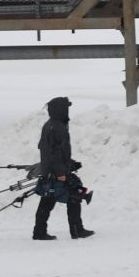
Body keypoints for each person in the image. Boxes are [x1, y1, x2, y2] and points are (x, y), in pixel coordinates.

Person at [32, 96, 95, 240]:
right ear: (60, 110)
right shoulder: (58, 127)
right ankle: (77, 230)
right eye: (66, 108)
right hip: (56, 173)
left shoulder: (50, 125)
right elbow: (55, 152)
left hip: (50, 171)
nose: (68, 111)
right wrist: (61, 172)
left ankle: (39, 232)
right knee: (74, 197)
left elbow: (50, 150)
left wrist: (71, 164)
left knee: (47, 201)